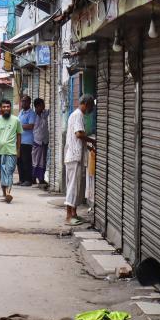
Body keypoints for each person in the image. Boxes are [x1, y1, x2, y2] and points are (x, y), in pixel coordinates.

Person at [64, 95, 96, 226]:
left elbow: (77, 137)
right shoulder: (78, 115)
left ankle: (74, 214)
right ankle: (68, 216)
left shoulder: (75, 115)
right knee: (73, 187)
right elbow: (79, 134)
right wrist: (93, 140)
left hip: (75, 156)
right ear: (86, 104)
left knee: (76, 187)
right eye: (90, 107)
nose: (90, 110)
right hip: (74, 157)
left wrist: (89, 146)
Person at [0, 99, 22, 204]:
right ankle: (4, 193)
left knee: (9, 170)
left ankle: (7, 192)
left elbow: (19, 135)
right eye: (4, 107)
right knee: (2, 173)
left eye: (8, 106)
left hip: (11, 151)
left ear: (10, 108)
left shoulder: (16, 120)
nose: (6, 108)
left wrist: (18, 149)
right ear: (0, 109)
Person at [16, 95, 35, 187]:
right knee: (19, 160)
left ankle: (28, 180)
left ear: (29, 103)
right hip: (19, 140)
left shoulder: (31, 113)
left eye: (25, 101)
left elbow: (31, 126)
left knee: (26, 160)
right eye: (22, 101)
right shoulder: (21, 112)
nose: (23, 103)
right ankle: (21, 179)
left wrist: (19, 126)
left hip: (27, 141)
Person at [31, 98, 49, 186]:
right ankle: (35, 178)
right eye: (42, 105)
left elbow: (50, 111)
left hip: (44, 141)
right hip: (37, 141)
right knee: (36, 161)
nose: (44, 107)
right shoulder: (34, 116)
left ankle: (41, 178)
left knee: (43, 161)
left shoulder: (44, 114)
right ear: (37, 106)